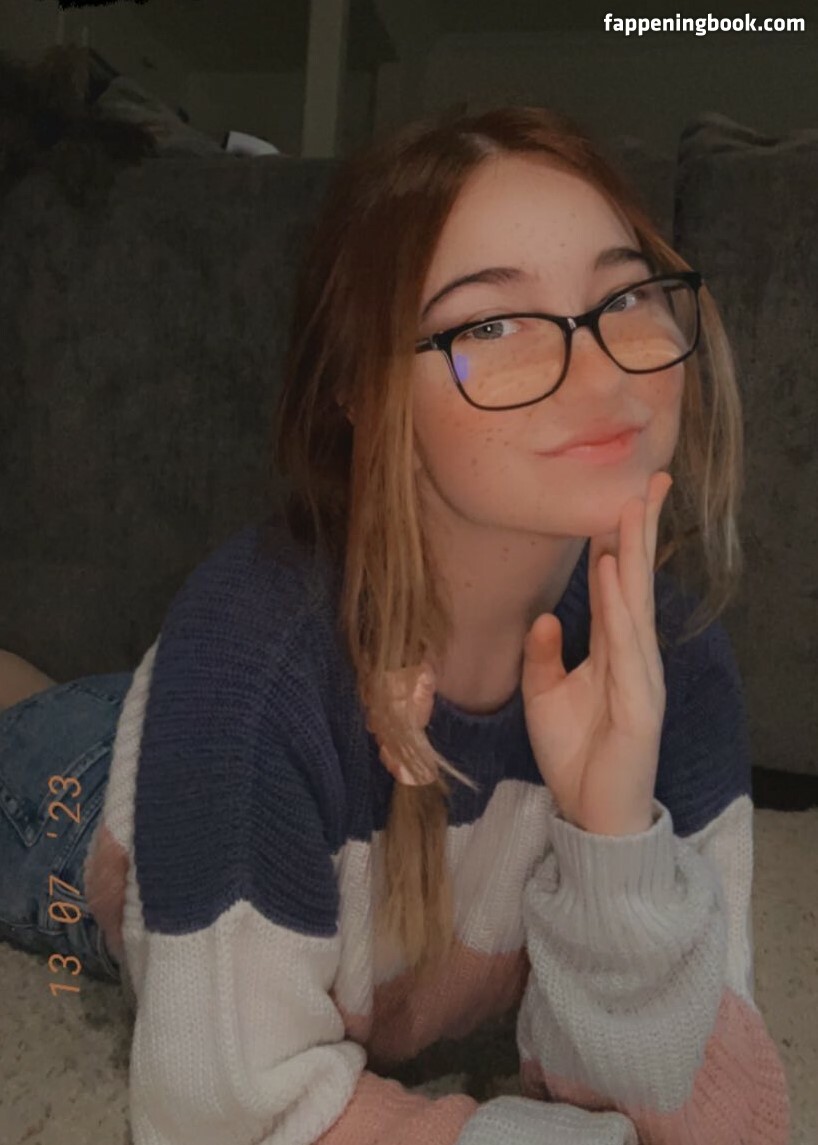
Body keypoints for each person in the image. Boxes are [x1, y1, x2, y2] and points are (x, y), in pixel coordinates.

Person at [0, 105, 790, 1144]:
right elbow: (223, 1113)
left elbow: (715, 1107)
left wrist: (614, 845)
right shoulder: (248, 669)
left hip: (219, 736)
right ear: (359, 391)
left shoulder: (673, 657)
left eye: (625, 295)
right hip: (86, 799)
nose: (604, 370)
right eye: (491, 324)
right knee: (37, 734)